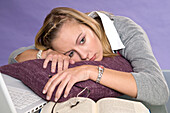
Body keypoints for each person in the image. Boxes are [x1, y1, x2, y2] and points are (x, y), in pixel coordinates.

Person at [9, 7, 169, 112]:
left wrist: (91, 71)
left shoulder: (123, 29)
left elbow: (158, 90)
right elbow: (15, 57)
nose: (84, 55)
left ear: (88, 23)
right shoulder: (65, 38)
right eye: (71, 53)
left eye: (82, 40)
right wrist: (44, 55)